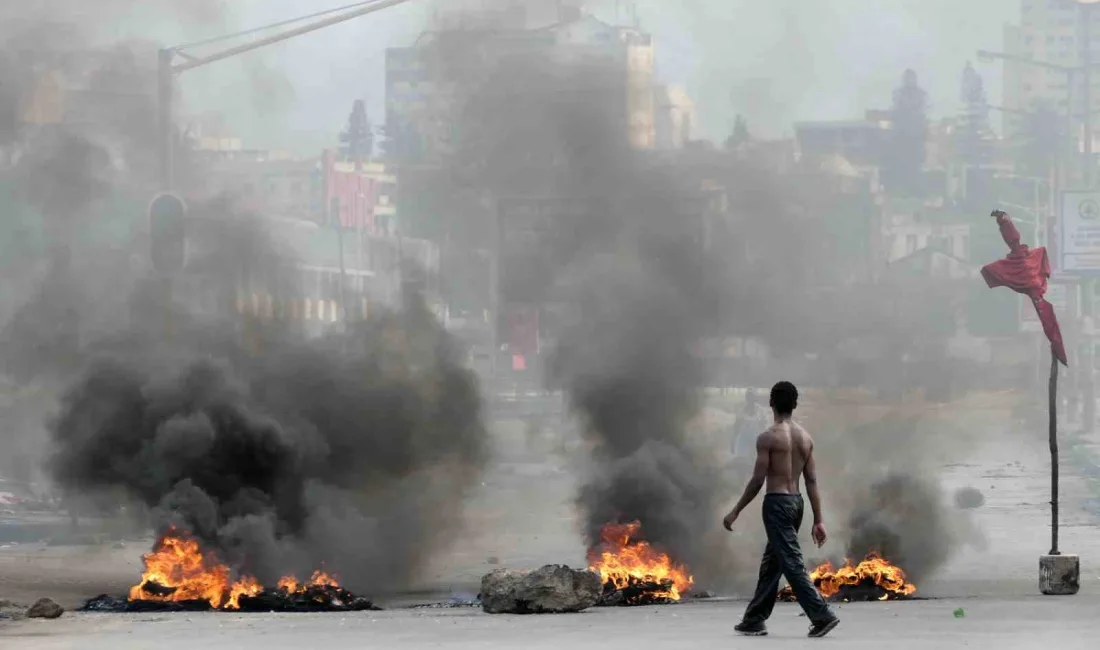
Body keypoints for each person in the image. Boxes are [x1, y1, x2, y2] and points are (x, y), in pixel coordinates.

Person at [722, 381, 839, 639]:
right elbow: (811, 481)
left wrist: (736, 510)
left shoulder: (768, 437)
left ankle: (822, 615)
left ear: (771, 403)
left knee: (790, 562)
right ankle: (754, 619)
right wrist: (818, 519)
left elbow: (757, 480)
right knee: (773, 562)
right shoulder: (805, 439)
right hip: (797, 503)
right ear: (795, 405)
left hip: (776, 503)